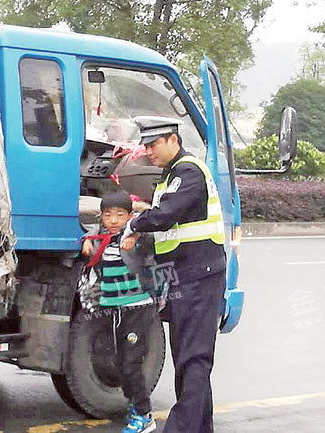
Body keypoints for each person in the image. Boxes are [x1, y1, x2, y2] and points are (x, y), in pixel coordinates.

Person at [121, 120, 226, 432]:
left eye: (154, 144)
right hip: (185, 275)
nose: (148, 151)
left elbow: (168, 214)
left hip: (199, 275)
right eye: (147, 145)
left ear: (173, 139)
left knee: (193, 357)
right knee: (189, 357)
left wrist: (135, 224)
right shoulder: (171, 176)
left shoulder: (188, 171)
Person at [80, 190, 158, 433]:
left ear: (129, 216)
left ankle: (144, 416)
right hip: (115, 310)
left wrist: (136, 235)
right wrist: (86, 241)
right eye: (107, 215)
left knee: (131, 363)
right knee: (120, 363)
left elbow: (150, 234)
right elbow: (91, 233)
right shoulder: (100, 237)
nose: (113, 220)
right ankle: (135, 405)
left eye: (119, 215)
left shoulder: (136, 235)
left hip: (138, 309)